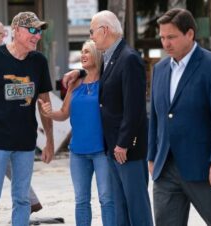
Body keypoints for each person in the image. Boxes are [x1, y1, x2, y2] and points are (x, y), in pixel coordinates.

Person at [147, 8, 211, 226]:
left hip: (206, 167)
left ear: (190, 34)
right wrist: (152, 155)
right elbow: (155, 116)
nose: (165, 43)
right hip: (166, 167)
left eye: (171, 37)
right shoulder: (159, 69)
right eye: (162, 37)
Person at [64, 10, 153, 226]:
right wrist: (79, 73)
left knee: (136, 207)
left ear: (105, 30)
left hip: (127, 148)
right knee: (120, 208)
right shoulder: (110, 57)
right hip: (112, 147)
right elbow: (101, 78)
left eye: (92, 31)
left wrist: (123, 143)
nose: (91, 36)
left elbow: (134, 108)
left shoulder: (129, 58)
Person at [0, 12, 54, 226]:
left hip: (26, 144)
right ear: (16, 31)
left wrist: (50, 142)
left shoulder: (39, 61)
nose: (37, 36)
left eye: (39, 31)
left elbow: (45, 103)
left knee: (22, 199)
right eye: (32, 30)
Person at [39, 40, 114, 226]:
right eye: (81, 52)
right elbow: (64, 113)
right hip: (77, 152)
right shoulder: (76, 83)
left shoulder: (107, 81)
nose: (83, 55)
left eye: (87, 51)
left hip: (102, 151)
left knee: (106, 199)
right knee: (81, 201)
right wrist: (49, 113)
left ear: (97, 54)